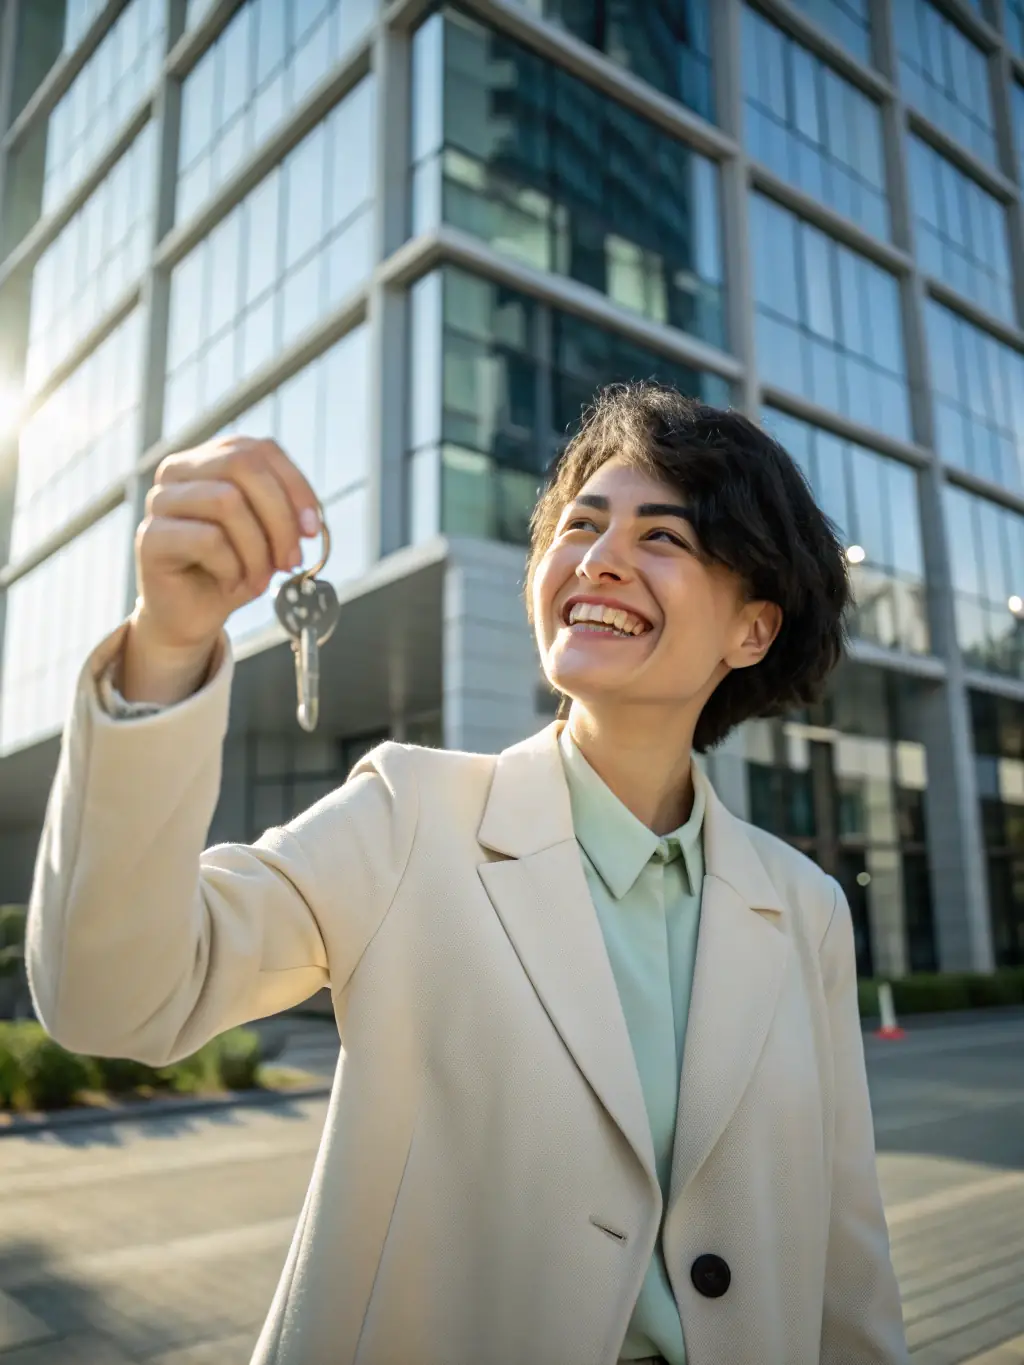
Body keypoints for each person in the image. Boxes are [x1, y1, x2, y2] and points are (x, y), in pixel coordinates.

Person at [26, 382, 908, 1365]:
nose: (599, 559)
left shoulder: (804, 909)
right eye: (579, 526)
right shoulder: (407, 818)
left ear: (752, 630)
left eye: (662, 537)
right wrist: (168, 644)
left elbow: (844, 1247)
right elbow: (114, 1000)